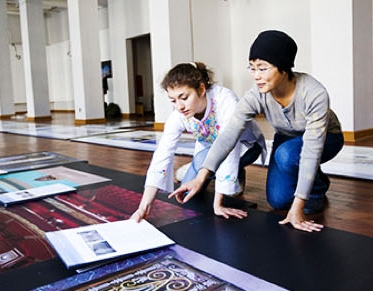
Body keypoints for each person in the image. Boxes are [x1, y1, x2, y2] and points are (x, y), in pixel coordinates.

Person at [174, 30, 344, 233]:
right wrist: (202, 176)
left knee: (288, 156)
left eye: (263, 68)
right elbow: (229, 134)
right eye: (252, 68)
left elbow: (312, 148)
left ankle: (315, 191)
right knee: (278, 200)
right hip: (288, 138)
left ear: (283, 68)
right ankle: (313, 179)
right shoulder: (257, 94)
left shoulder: (314, 93)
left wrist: (299, 207)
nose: (256, 76)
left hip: (326, 138)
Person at [130, 62, 264, 223]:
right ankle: (207, 170)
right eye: (173, 100)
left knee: (210, 165)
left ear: (201, 89)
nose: (179, 106)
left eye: (184, 98)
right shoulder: (179, 113)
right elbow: (162, 154)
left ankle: (233, 170)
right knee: (187, 194)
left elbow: (229, 145)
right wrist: (143, 207)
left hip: (244, 146)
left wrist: (218, 204)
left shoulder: (225, 99)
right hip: (209, 149)